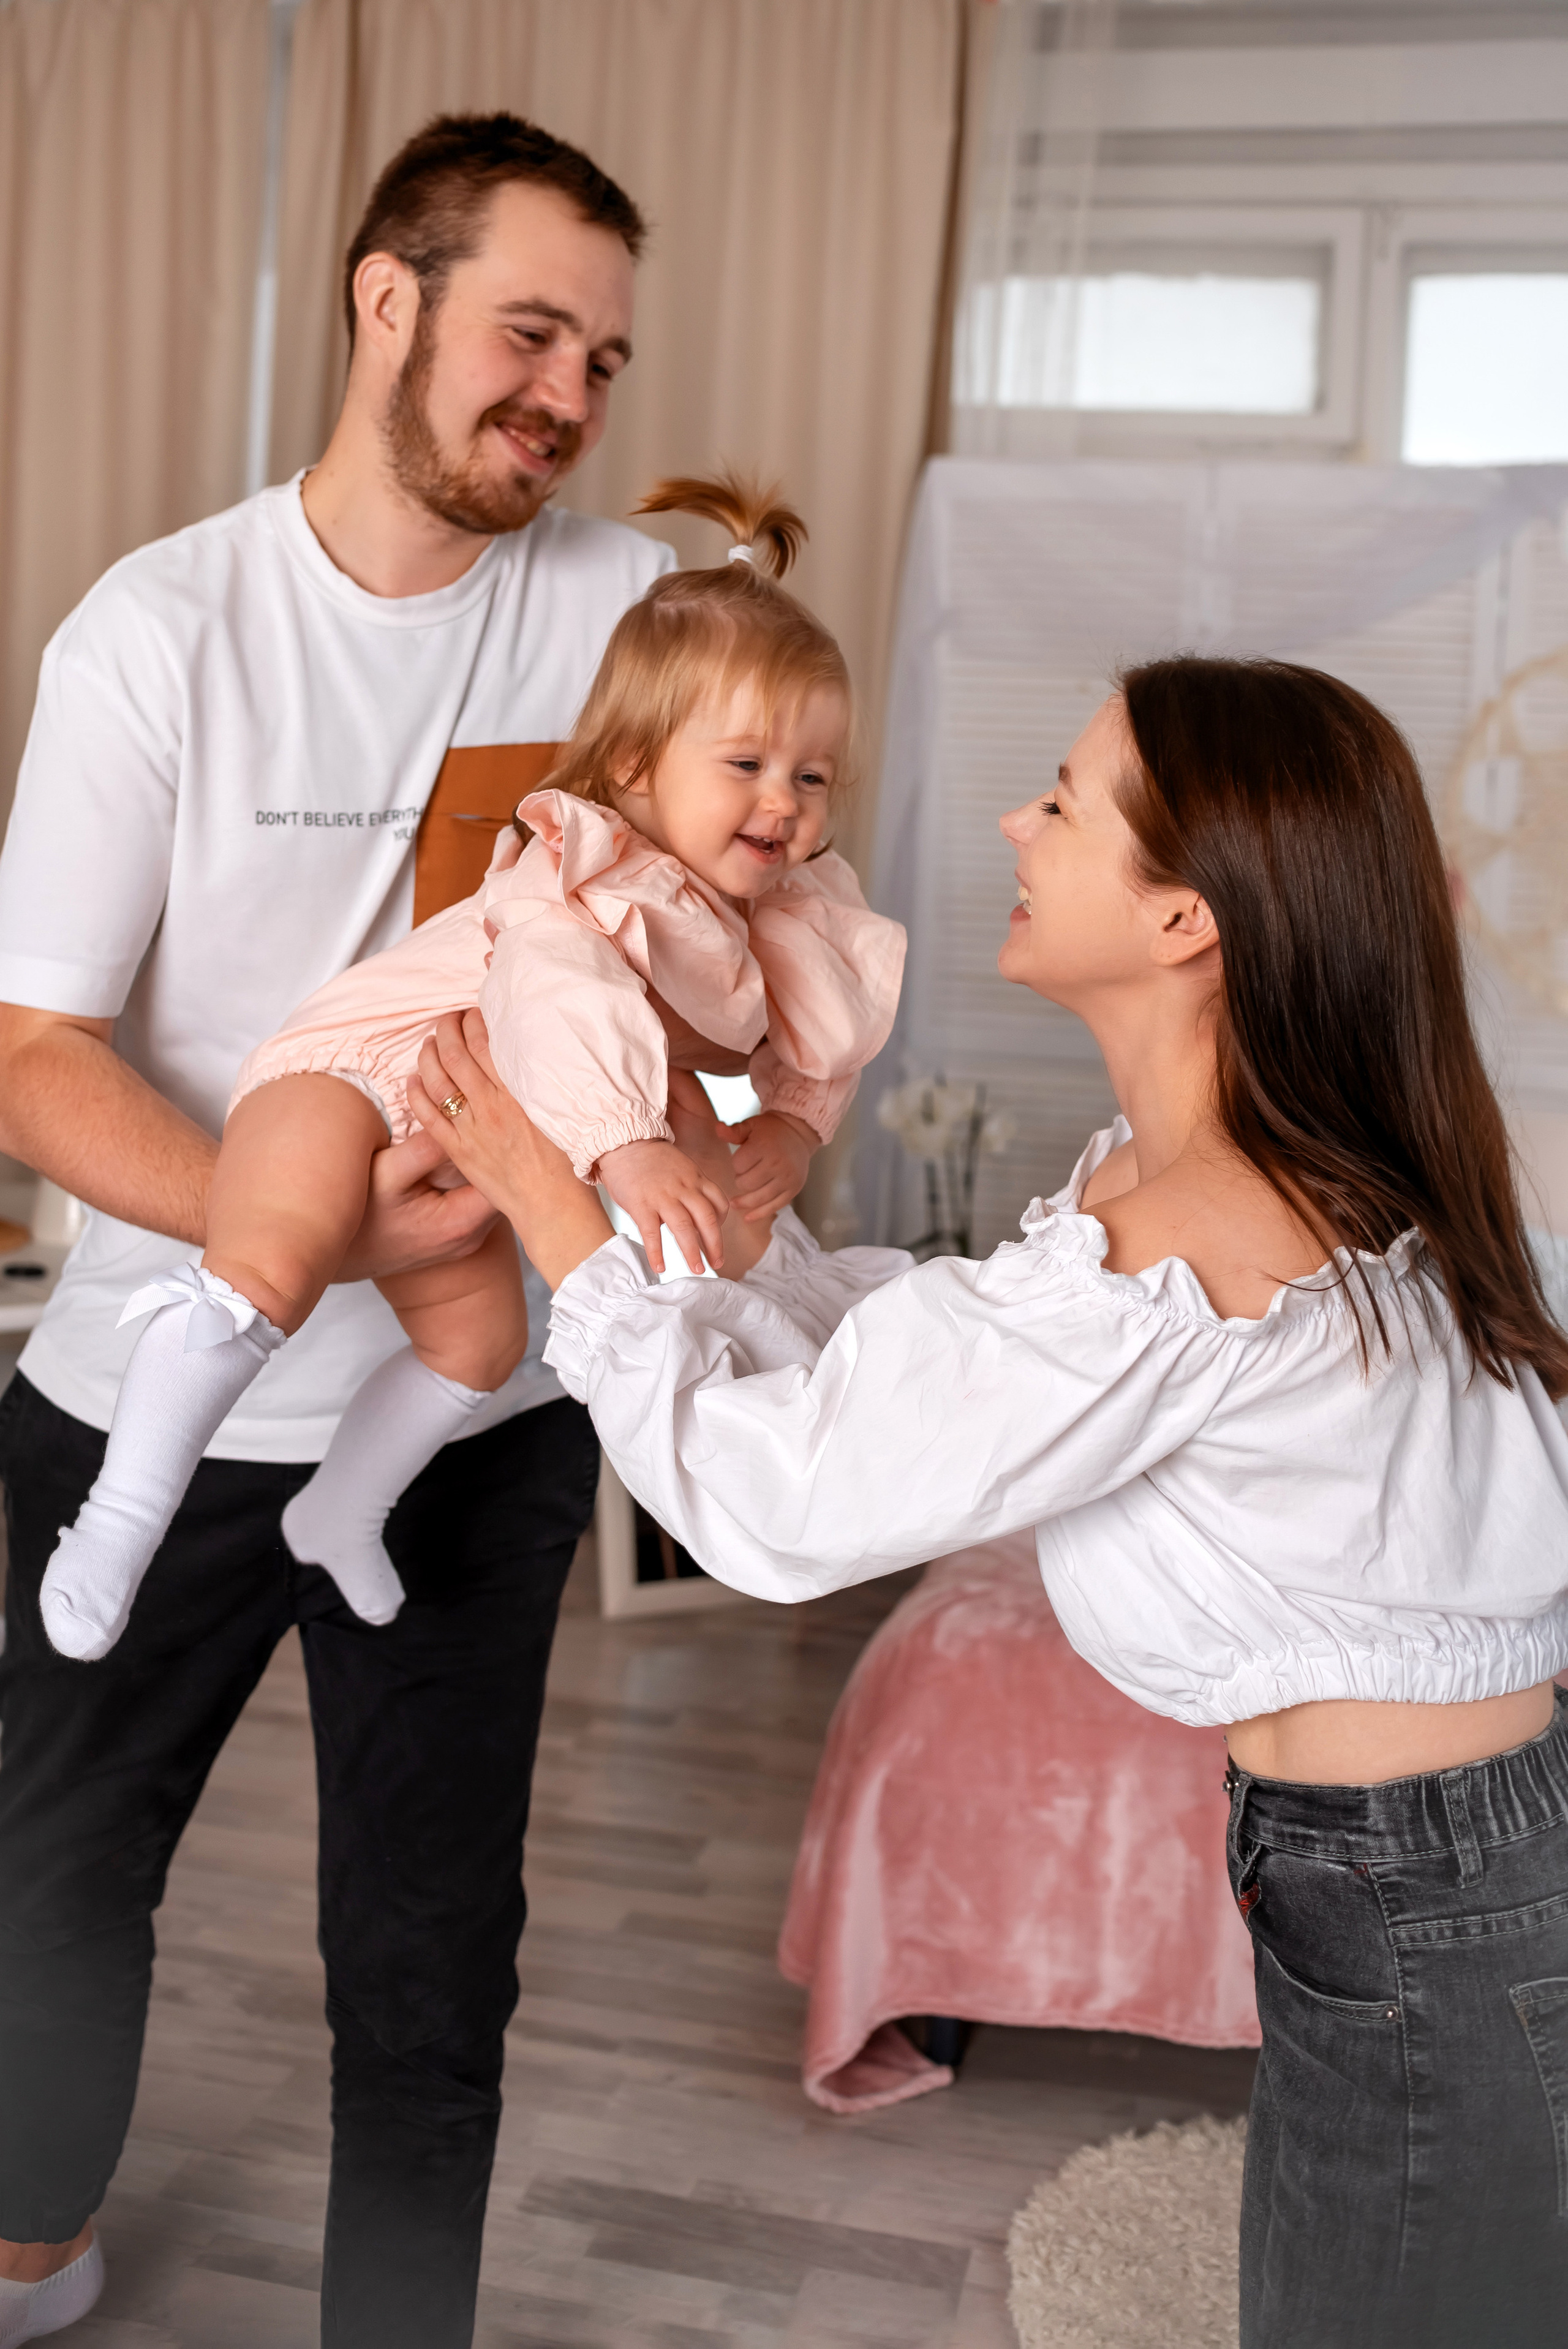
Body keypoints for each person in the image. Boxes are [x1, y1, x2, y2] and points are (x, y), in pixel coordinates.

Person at [412, 658, 1568, 2348]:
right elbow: (945, 1353)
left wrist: (558, 1212)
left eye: (1066, 797)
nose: (1016, 821)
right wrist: (725, 1236)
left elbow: (773, 1502)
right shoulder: (1227, 1167)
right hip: (1404, 1866)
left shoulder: (1195, 1230)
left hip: (1428, 1893)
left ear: (1186, 917)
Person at [0, 111, 673, 2349]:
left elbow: (704, 925)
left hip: (474, 1417)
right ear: (387, 298)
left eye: (603, 356)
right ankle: (29, 2246)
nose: (568, 396)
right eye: (530, 331)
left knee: (425, 1943)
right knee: (45, 1879)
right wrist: (303, 1228)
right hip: (146, 1390)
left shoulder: (626, 617)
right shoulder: (159, 631)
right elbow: (34, 1052)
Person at [40, 472, 903, 1656]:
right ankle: (120, 1517)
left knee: (481, 1348)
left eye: (812, 777)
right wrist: (632, 1146)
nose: (786, 805)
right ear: (640, 767)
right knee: (269, 1264)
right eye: (747, 766)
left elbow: (832, 1013)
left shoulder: (787, 902)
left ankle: (340, 1509)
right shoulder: (584, 872)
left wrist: (795, 1122)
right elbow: (563, 995)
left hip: (465, 1135)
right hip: (350, 1073)